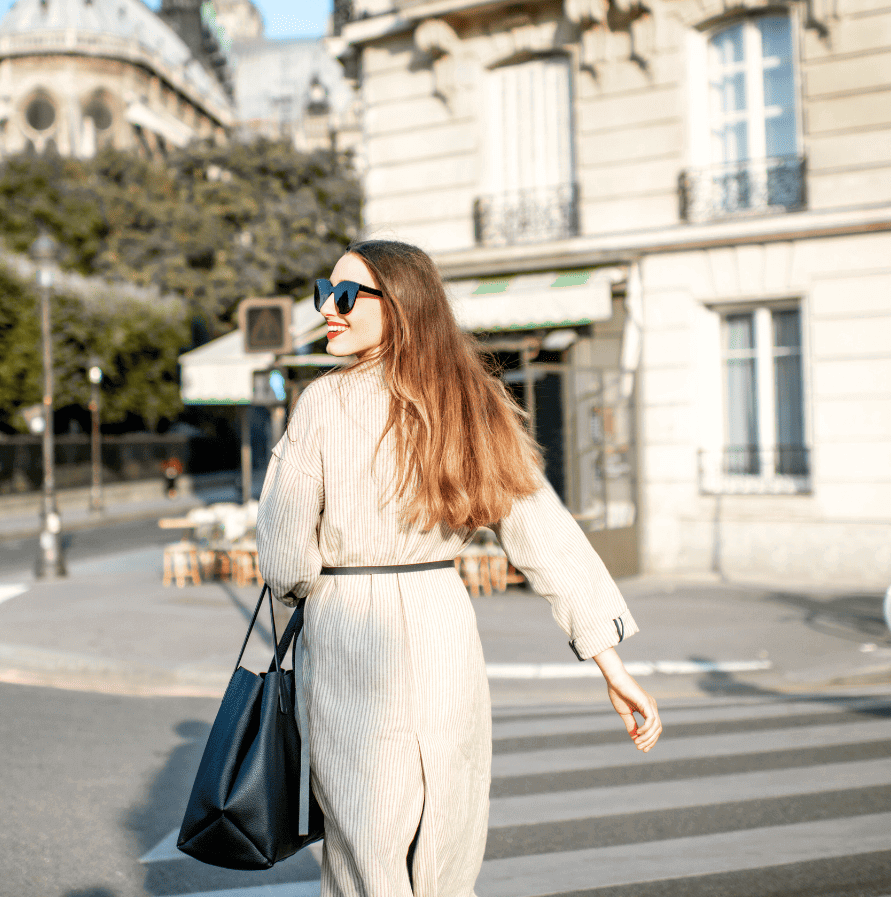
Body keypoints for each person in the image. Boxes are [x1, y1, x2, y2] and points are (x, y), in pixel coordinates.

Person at [256, 239, 661, 897]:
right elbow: (545, 535)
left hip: (350, 625)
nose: (328, 309)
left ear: (401, 307)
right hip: (443, 621)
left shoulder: (323, 405)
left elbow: (281, 551)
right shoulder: (475, 402)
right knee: (449, 831)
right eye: (322, 293)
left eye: (347, 295)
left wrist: (306, 588)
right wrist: (611, 665)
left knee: (367, 849)